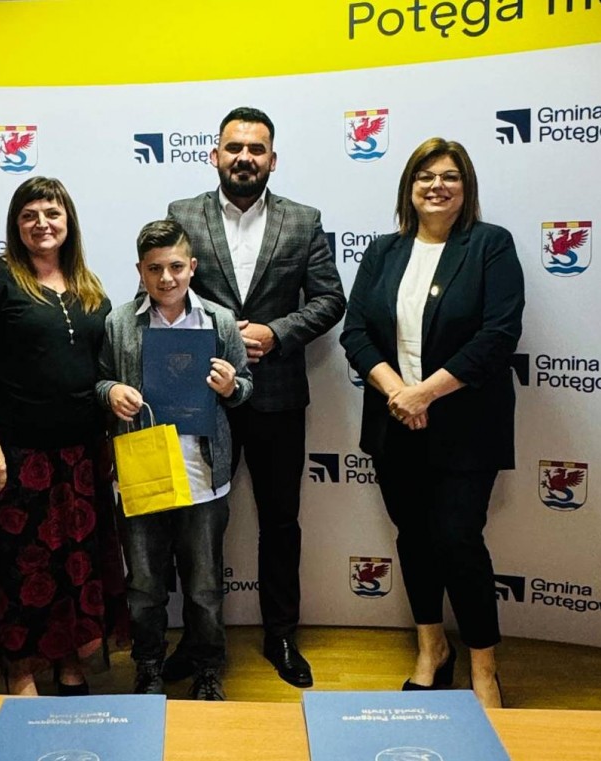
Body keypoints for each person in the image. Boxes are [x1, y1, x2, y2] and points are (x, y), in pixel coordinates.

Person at [340, 137, 525, 708]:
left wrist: (425, 393)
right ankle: (432, 649)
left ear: (466, 187)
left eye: (449, 176)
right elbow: (355, 333)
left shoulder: (490, 245)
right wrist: (399, 393)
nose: (436, 186)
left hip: (466, 425)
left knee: (458, 540)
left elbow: (498, 334)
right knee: (415, 540)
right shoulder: (383, 252)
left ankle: (484, 666)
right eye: (425, 176)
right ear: (409, 188)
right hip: (395, 422)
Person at [167, 106, 345, 687]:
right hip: (203, 395)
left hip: (278, 396)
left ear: (272, 159)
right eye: (234, 147)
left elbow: (330, 299)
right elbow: (168, 293)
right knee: (198, 523)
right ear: (215, 154)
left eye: (256, 149)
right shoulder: (182, 214)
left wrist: (276, 332)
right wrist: (218, 335)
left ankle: (282, 635)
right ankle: (198, 639)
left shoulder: (303, 220)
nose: (245, 157)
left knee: (281, 521)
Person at [0, 176, 127, 696]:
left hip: (81, 455)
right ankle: (21, 669)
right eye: (29, 215)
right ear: (16, 224)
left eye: (52, 213)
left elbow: (102, 370)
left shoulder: (89, 287)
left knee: (75, 565)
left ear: (68, 220)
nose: (42, 224)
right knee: (21, 567)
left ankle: (70, 662)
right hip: (15, 454)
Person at [96, 219, 253, 700]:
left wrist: (231, 387)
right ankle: (148, 668)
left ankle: (208, 670)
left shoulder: (218, 321)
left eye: (176, 267)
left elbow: (245, 386)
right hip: (142, 471)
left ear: (193, 267)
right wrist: (111, 392)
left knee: (204, 587)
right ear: (140, 271)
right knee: (145, 586)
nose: (166, 278)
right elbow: (99, 380)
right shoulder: (120, 322)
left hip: (203, 475)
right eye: (155, 269)